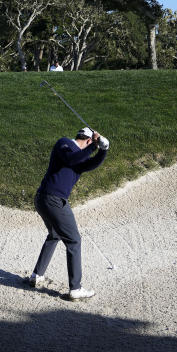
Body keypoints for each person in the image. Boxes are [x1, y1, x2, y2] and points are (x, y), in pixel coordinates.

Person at [27, 127, 109, 301]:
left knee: (55, 234)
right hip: (52, 199)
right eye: (89, 144)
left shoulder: (81, 157)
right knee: (74, 240)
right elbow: (71, 158)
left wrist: (104, 150)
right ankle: (76, 289)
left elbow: (90, 164)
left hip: (47, 199)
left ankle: (37, 275)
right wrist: (94, 146)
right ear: (87, 140)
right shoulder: (64, 144)